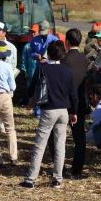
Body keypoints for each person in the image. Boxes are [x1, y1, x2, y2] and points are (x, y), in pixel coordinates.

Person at [22, 41, 78, 188]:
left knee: (40, 145)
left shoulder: (42, 69)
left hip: (48, 110)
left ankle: (31, 179)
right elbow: (73, 94)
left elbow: (32, 88)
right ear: (63, 54)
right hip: (64, 111)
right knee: (60, 145)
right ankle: (57, 179)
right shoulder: (67, 71)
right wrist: (74, 112)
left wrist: (30, 100)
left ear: (49, 53)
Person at [61, 28, 90, 179]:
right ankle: (77, 170)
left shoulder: (64, 60)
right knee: (80, 139)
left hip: (65, 103)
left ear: (66, 41)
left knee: (60, 137)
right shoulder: (84, 59)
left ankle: (60, 168)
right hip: (80, 103)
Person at [20, 24, 40, 89]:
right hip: (30, 75)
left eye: (34, 32)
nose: (33, 34)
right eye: (31, 32)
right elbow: (24, 60)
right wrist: (25, 72)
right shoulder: (27, 46)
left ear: (39, 33)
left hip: (40, 76)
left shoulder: (43, 45)